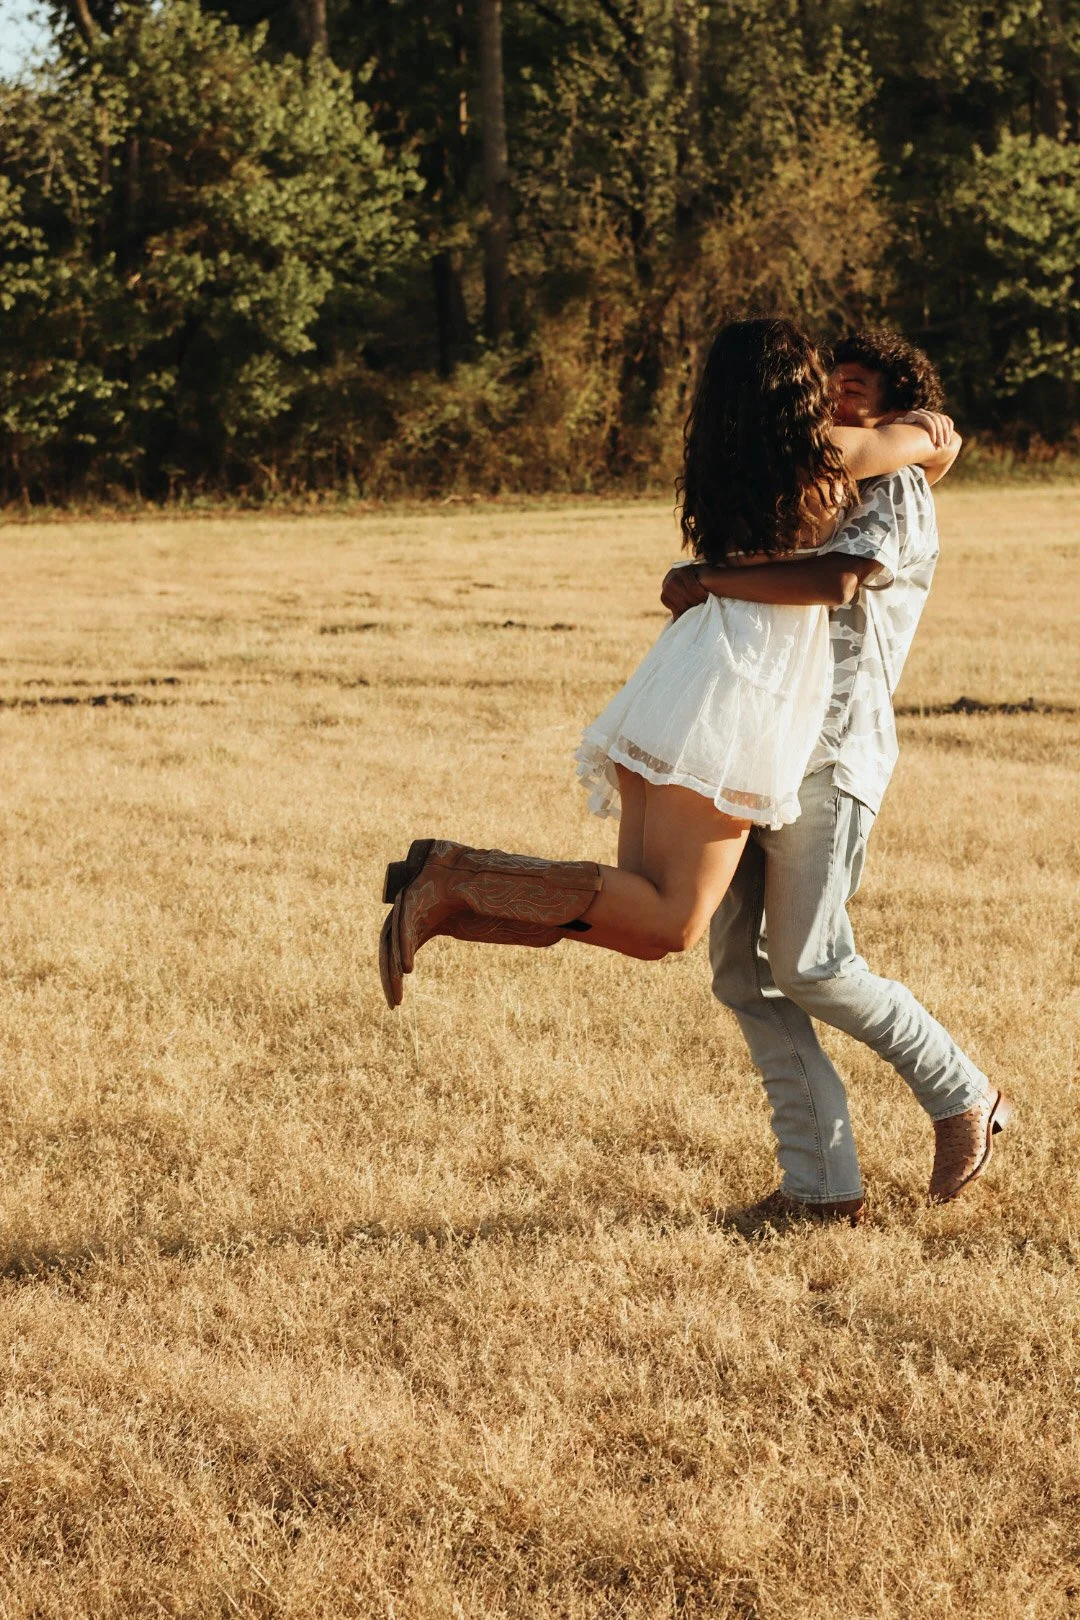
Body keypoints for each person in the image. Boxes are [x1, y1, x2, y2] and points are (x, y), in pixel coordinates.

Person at [378, 320, 956, 1057]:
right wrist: (924, 428)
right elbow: (925, 451)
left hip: (684, 677)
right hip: (738, 690)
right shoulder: (826, 454)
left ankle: (448, 902)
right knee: (670, 924)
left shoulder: (726, 456)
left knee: (644, 924)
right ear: (796, 391)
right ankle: (456, 874)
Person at [660, 329, 1012, 1229]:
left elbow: (842, 579)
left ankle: (964, 1092)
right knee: (743, 972)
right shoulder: (813, 482)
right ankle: (821, 1189)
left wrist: (712, 579)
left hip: (833, 744)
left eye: (854, 391)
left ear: (895, 402)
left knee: (812, 959)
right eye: (829, 388)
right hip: (752, 738)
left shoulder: (893, 484)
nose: (837, 404)